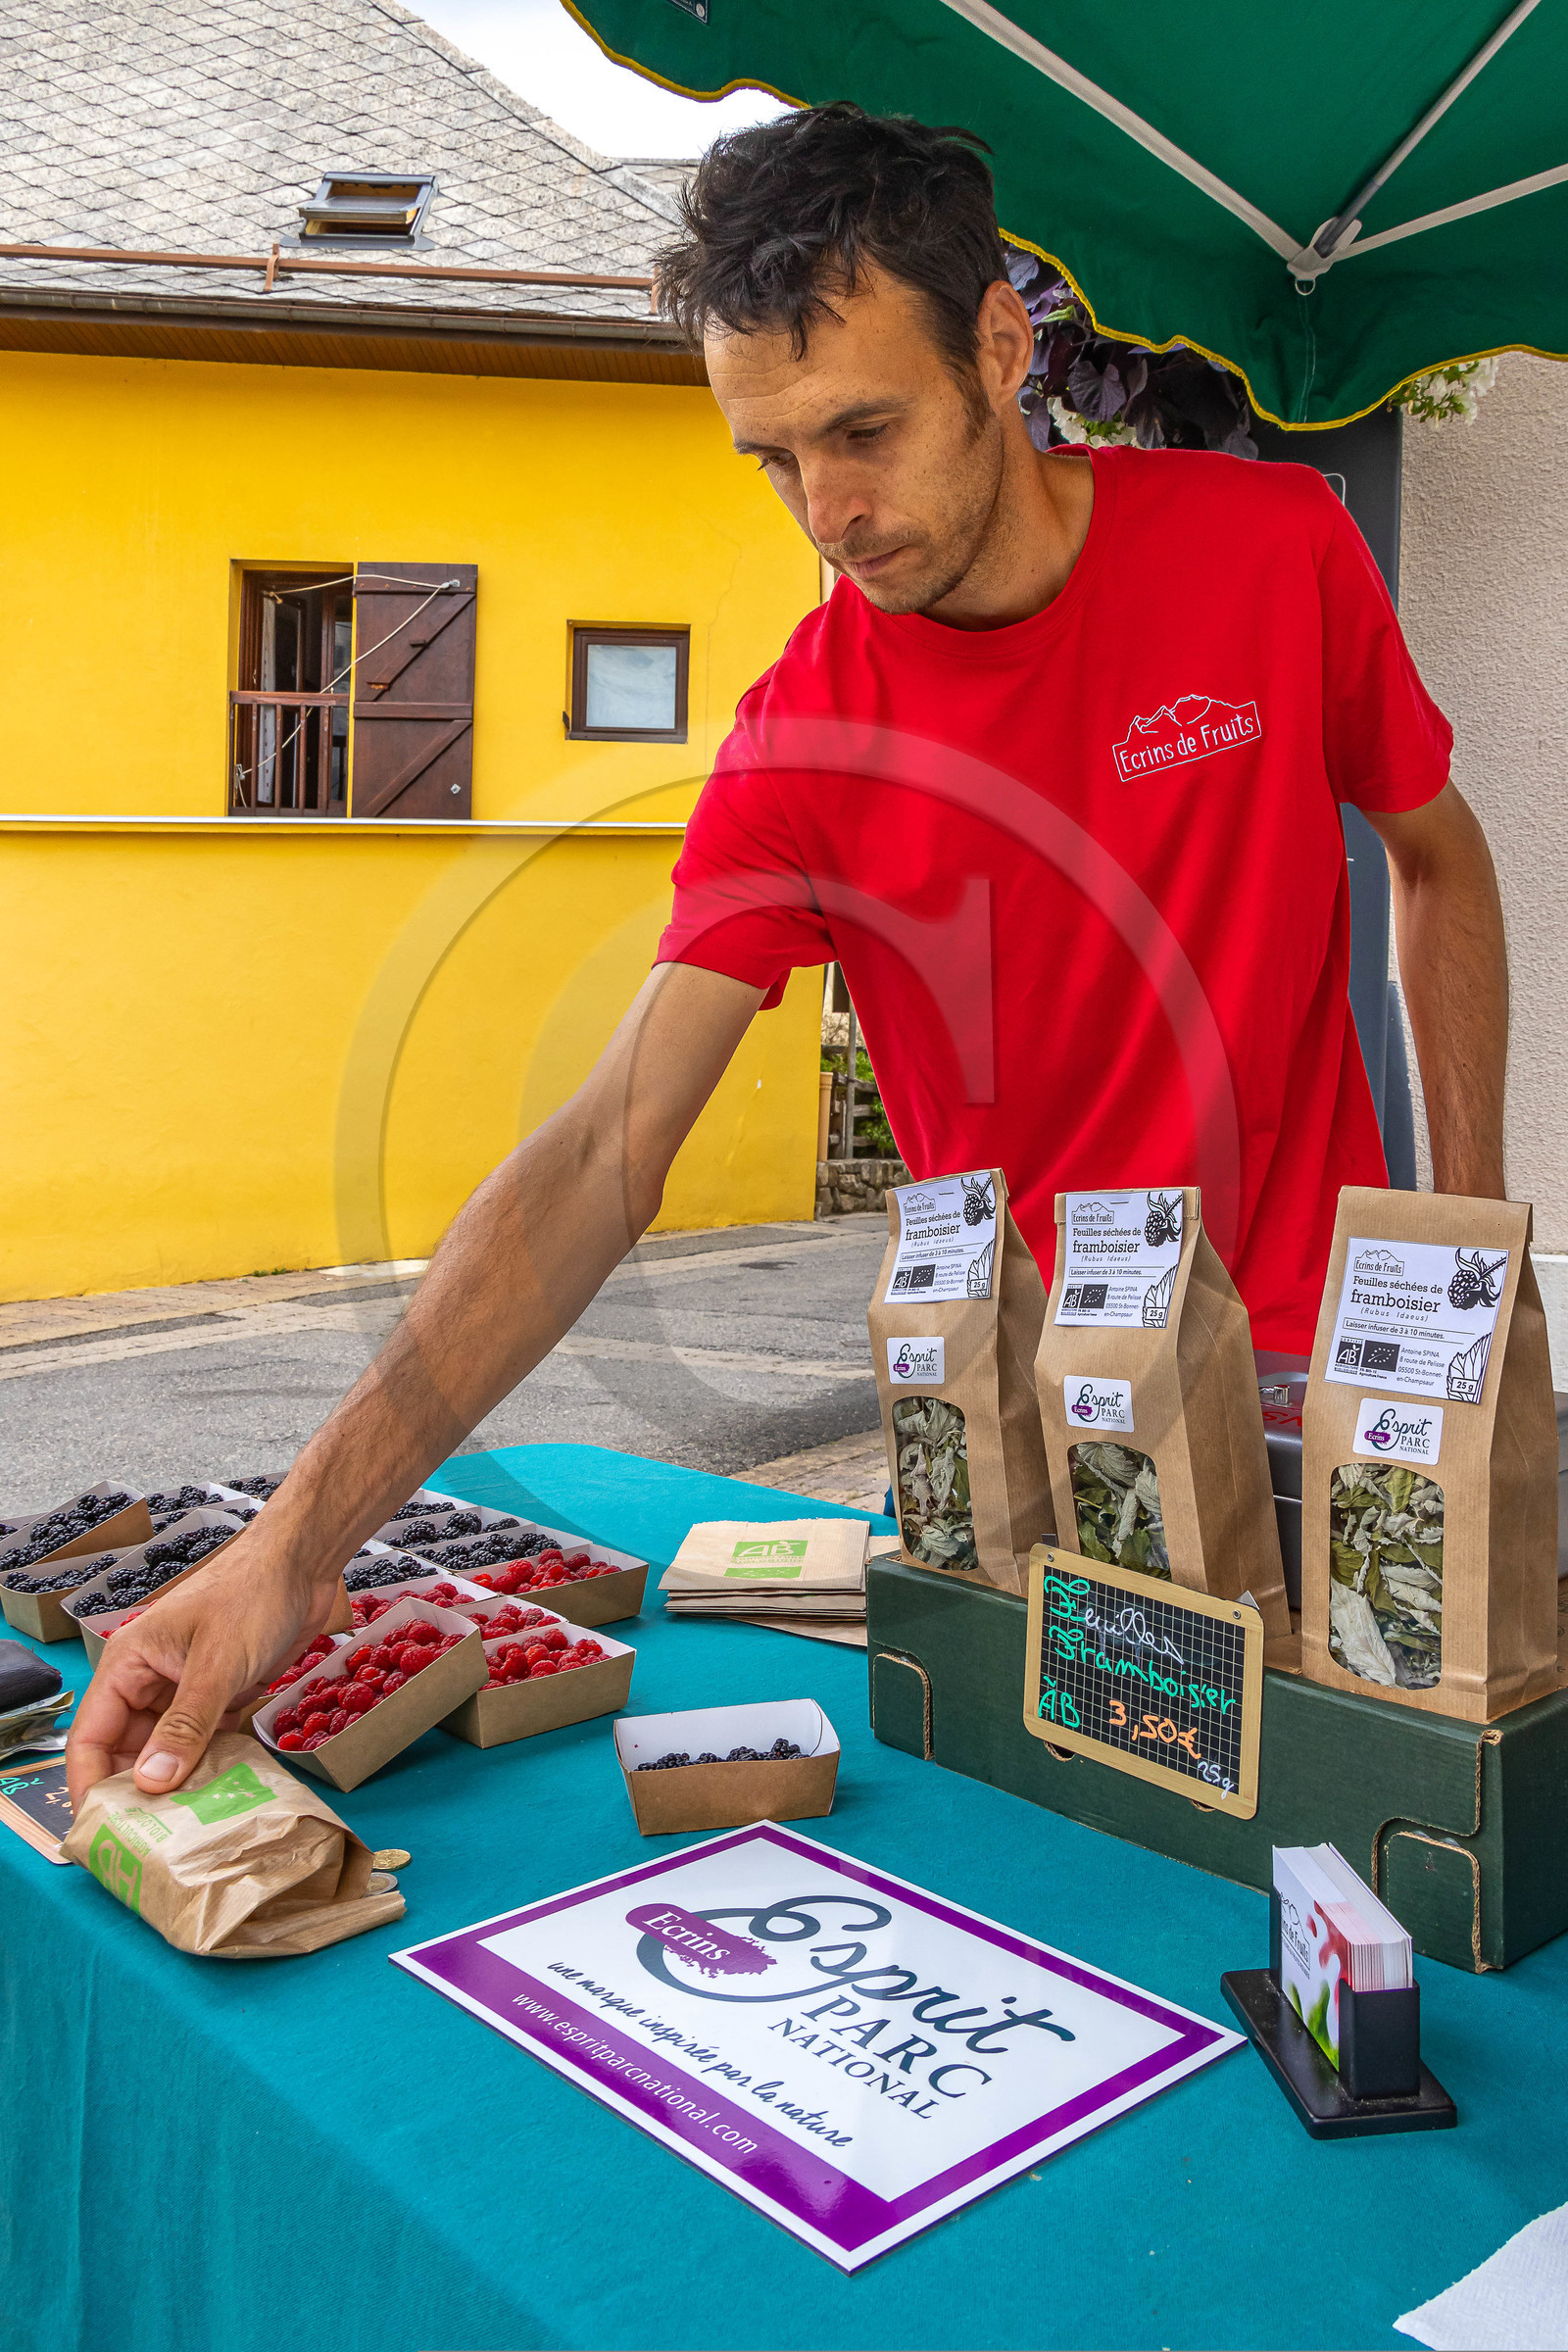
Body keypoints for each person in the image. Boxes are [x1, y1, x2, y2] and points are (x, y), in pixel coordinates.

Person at [68, 104, 1507, 1806]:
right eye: (772, 459)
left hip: (1309, 1408)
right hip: (1012, 1466)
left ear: (998, 343)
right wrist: (299, 1551)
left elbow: (1442, 866)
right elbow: (607, 1147)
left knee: (1372, 1899)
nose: (827, 510)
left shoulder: (1274, 552)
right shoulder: (798, 743)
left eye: (865, 430)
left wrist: (1468, 1272)